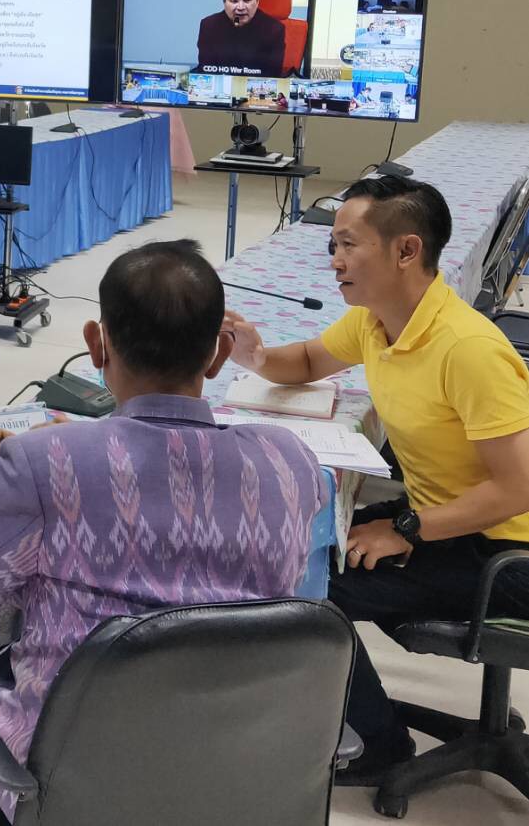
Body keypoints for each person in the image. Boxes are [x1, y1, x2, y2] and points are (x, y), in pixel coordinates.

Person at [0, 240, 329, 825]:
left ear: (96, 343)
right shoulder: (290, 461)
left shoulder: (43, 463)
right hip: (240, 772)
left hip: (72, 784)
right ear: (220, 354)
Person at [224, 175, 529, 785]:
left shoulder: (467, 348)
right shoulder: (378, 320)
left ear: (406, 251)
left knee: (301, 577)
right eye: (332, 245)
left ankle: (379, 744)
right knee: (282, 541)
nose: (334, 260)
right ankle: (353, 716)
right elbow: (309, 361)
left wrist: (407, 529)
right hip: (452, 523)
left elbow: (518, 488)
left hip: (508, 555)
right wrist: (252, 355)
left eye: (346, 244)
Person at [196, 0, 288, 78]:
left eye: (247, 0)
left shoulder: (274, 29)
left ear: (257, 0)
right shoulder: (209, 26)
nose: (240, 7)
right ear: (224, 2)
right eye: (234, 1)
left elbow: (272, 74)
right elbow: (206, 70)